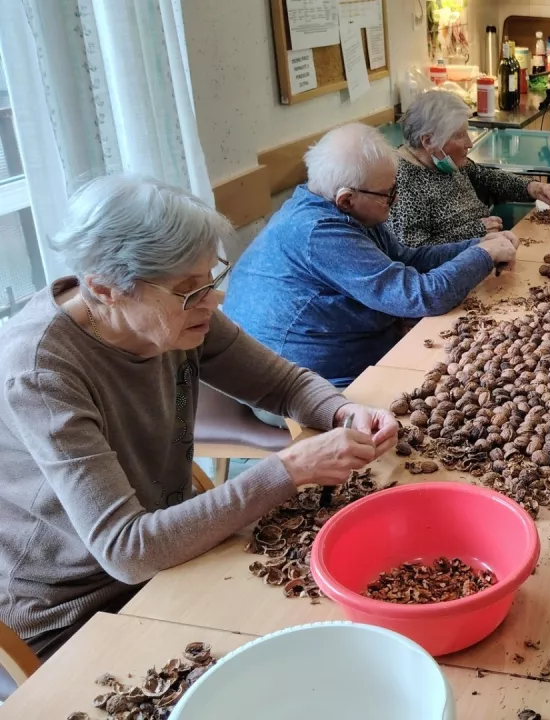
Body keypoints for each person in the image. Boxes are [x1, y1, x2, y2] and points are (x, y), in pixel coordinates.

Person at [0, 175, 399, 700]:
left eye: (212, 276)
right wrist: (288, 470)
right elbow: (127, 549)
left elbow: (284, 384)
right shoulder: (40, 372)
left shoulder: (175, 314)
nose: (212, 299)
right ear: (102, 288)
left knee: (341, 632)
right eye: (190, 288)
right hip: (76, 606)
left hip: (174, 548)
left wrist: (344, 410)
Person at [224, 123, 519, 390]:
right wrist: (482, 254)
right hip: (307, 383)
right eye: (388, 194)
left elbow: (406, 259)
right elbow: (419, 297)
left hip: (343, 353)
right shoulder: (319, 232)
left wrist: (476, 245)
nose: (397, 200)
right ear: (347, 199)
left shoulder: (343, 210)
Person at [388, 90, 550, 247]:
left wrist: (531, 187)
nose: (469, 144)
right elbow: (413, 253)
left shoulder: (444, 161)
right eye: (459, 135)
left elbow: (485, 177)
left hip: (486, 251)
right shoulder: (402, 184)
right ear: (428, 141)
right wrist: (474, 233)